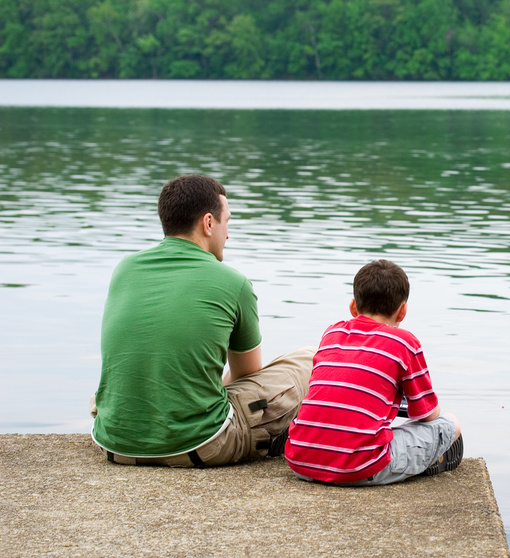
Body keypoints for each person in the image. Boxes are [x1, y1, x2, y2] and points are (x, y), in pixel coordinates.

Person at [90, 174, 312, 467]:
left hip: (114, 443)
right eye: (227, 222)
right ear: (208, 223)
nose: (228, 234)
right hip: (202, 444)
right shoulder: (233, 282)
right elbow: (247, 373)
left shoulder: (125, 268)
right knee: (308, 360)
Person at [284, 259, 463, 485]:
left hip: (300, 461)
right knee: (449, 424)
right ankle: (425, 459)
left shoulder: (331, 333)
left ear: (353, 307)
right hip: (360, 468)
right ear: (402, 311)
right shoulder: (405, 342)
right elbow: (426, 414)